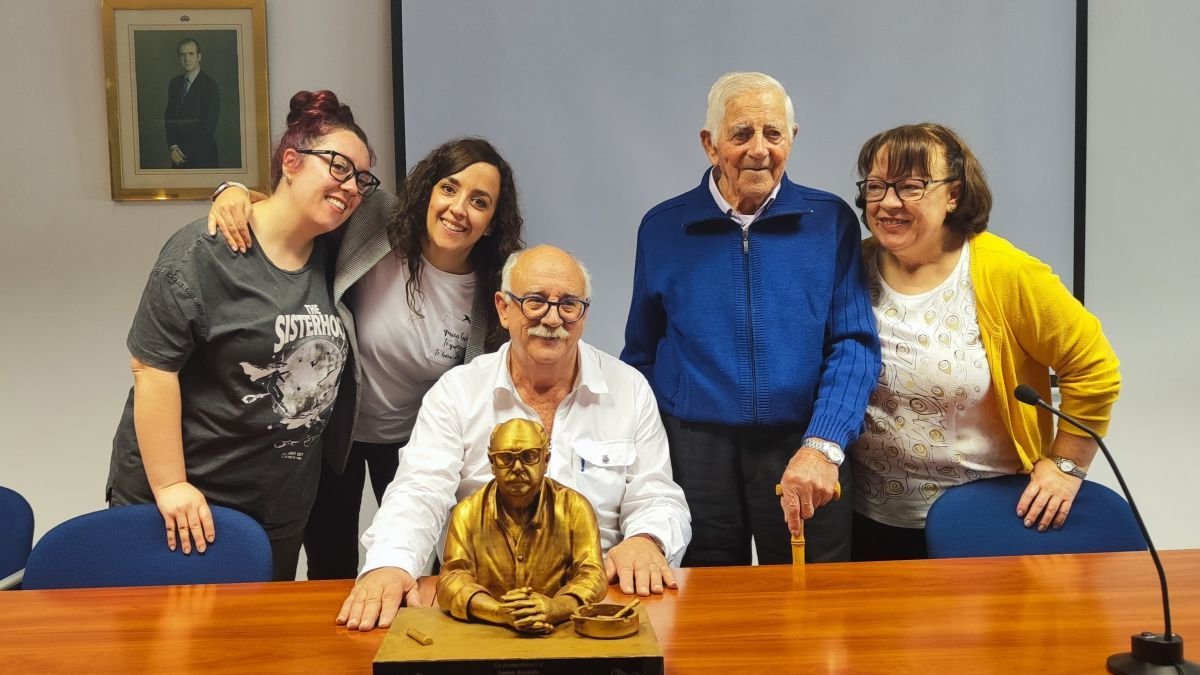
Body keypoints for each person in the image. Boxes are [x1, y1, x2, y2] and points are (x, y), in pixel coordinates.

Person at [208, 138, 524, 580]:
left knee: (428, 566)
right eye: (449, 189)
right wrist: (233, 191)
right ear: (429, 191)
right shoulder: (377, 221)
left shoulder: (494, 293)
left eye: (479, 201)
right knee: (332, 565)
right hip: (335, 431)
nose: (458, 209)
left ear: (491, 223)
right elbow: (300, 203)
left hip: (416, 443)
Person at [338, 245, 691, 631]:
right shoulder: (458, 391)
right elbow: (419, 489)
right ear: (503, 308)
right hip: (486, 608)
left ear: (584, 315)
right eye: (535, 301)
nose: (552, 318)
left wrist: (647, 538)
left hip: (601, 600)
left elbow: (656, 493)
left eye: (569, 304)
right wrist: (390, 563)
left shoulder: (629, 389)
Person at [107, 90, 377, 581]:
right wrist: (170, 487)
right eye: (339, 166)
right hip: (187, 502)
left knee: (251, 652)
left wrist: (239, 186)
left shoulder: (337, 255)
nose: (351, 186)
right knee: (162, 652)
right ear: (290, 162)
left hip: (277, 509)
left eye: (361, 178)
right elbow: (151, 369)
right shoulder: (204, 251)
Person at [621, 72, 881, 566]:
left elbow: (853, 344)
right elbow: (641, 354)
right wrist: (644, 460)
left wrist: (824, 444)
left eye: (773, 134)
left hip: (803, 441)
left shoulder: (831, 222)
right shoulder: (662, 227)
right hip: (695, 449)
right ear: (710, 144)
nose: (759, 149)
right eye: (741, 134)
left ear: (792, 139)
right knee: (707, 610)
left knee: (816, 604)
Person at [849, 122, 1121, 561]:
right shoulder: (852, 266)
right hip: (867, 518)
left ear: (953, 194)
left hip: (986, 523)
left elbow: (1094, 366)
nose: (888, 203)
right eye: (877, 186)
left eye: (911, 186)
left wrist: (1067, 466)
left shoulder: (1005, 272)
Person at [438, 418, 606, 634]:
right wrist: (499, 612)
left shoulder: (574, 508)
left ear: (546, 459)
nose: (517, 468)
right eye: (505, 459)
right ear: (491, 462)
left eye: (529, 457)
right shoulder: (467, 513)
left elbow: (593, 574)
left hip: (561, 632)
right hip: (487, 633)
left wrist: (557, 607)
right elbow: (451, 580)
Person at [165, 37, 219, 169]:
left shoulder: (210, 85)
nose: (186, 59)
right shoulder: (175, 83)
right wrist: (173, 147)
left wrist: (182, 152)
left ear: (199, 56)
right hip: (177, 158)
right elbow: (169, 117)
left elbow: (208, 126)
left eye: (191, 54)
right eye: (183, 54)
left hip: (202, 157)